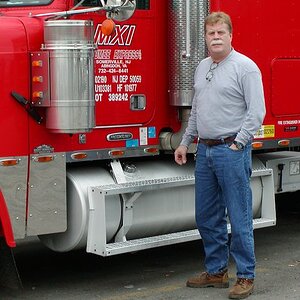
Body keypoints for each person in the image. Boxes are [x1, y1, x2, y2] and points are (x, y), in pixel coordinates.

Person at [174, 11, 266, 299]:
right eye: (211, 33)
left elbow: (257, 112)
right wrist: (185, 142)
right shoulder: (202, 67)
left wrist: (238, 144)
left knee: (239, 218)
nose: (215, 37)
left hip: (230, 150)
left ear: (230, 35)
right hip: (204, 151)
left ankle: (245, 276)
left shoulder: (245, 67)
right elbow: (198, 110)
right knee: (206, 216)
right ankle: (216, 272)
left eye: (220, 33)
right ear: (205, 38)